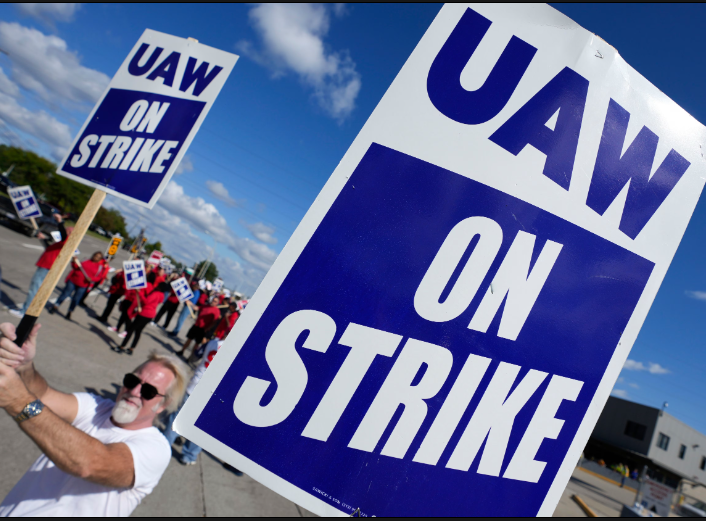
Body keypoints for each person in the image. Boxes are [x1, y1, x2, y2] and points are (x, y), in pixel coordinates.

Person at [0, 321, 189, 516]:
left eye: (148, 391)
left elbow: (89, 464)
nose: (134, 391)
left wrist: (19, 402)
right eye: (132, 381)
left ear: (163, 405)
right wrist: (24, 364)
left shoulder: (156, 448)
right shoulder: (97, 406)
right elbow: (44, 396)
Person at [10, 214, 70, 318]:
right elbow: (50, 248)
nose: (64, 231)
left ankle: (24, 311)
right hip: (45, 265)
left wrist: (60, 221)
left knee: (34, 289)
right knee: (35, 289)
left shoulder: (67, 240)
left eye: (67, 230)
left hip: (46, 266)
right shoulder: (62, 243)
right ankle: (26, 310)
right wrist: (43, 239)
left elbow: (63, 234)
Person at [117, 275, 166, 355]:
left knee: (131, 330)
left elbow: (146, 301)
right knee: (138, 331)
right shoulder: (161, 295)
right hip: (150, 314)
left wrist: (139, 293)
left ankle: (121, 347)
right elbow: (159, 301)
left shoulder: (156, 293)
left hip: (144, 314)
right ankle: (131, 348)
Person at [48, 252, 104, 320]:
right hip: (73, 281)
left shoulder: (100, 267)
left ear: (100, 259)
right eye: (95, 255)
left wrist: (91, 279)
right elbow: (75, 267)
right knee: (65, 294)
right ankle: (55, 306)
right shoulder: (85, 260)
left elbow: (99, 277)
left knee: (76, 299)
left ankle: (70, 311)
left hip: (83, 285)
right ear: (93, 255)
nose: (96, 257)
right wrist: (74, 261)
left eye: (98, 257)